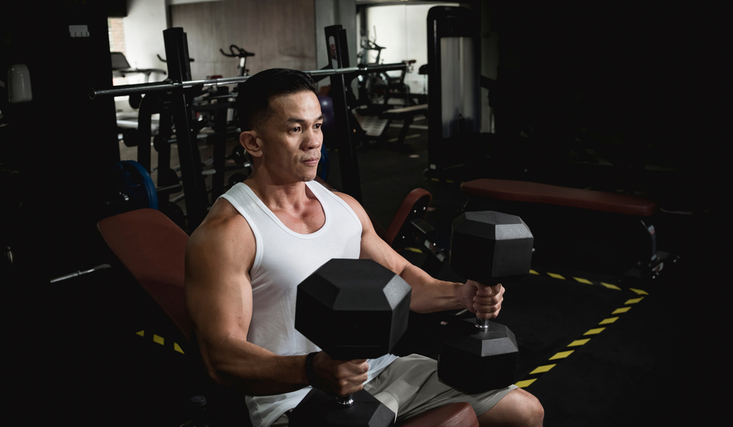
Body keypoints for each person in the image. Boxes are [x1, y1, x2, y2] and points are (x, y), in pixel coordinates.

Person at [185, 68, 544, 427]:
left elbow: (403, 277)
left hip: (381, 371)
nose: (313, 141)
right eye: (295, 129)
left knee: (526, 412)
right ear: (253, 143)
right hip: (297, 399)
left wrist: (463, 294)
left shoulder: (344, 206)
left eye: (318, 125)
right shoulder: (228, 234)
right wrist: (313, 369)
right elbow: (221, 356)